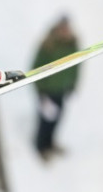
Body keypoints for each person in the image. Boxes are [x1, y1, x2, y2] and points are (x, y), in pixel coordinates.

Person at [32, 17, 80, 162]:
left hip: (61, 90)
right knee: (45, 121)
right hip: (47, 91)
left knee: (57, 119)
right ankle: (41, 147)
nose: (65, 31)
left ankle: (51, 143)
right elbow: (35, 67)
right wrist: (41, 90)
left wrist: (72, 84)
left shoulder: (72, 45)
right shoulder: (48, 45)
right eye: (62, 28)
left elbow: (76, 67)